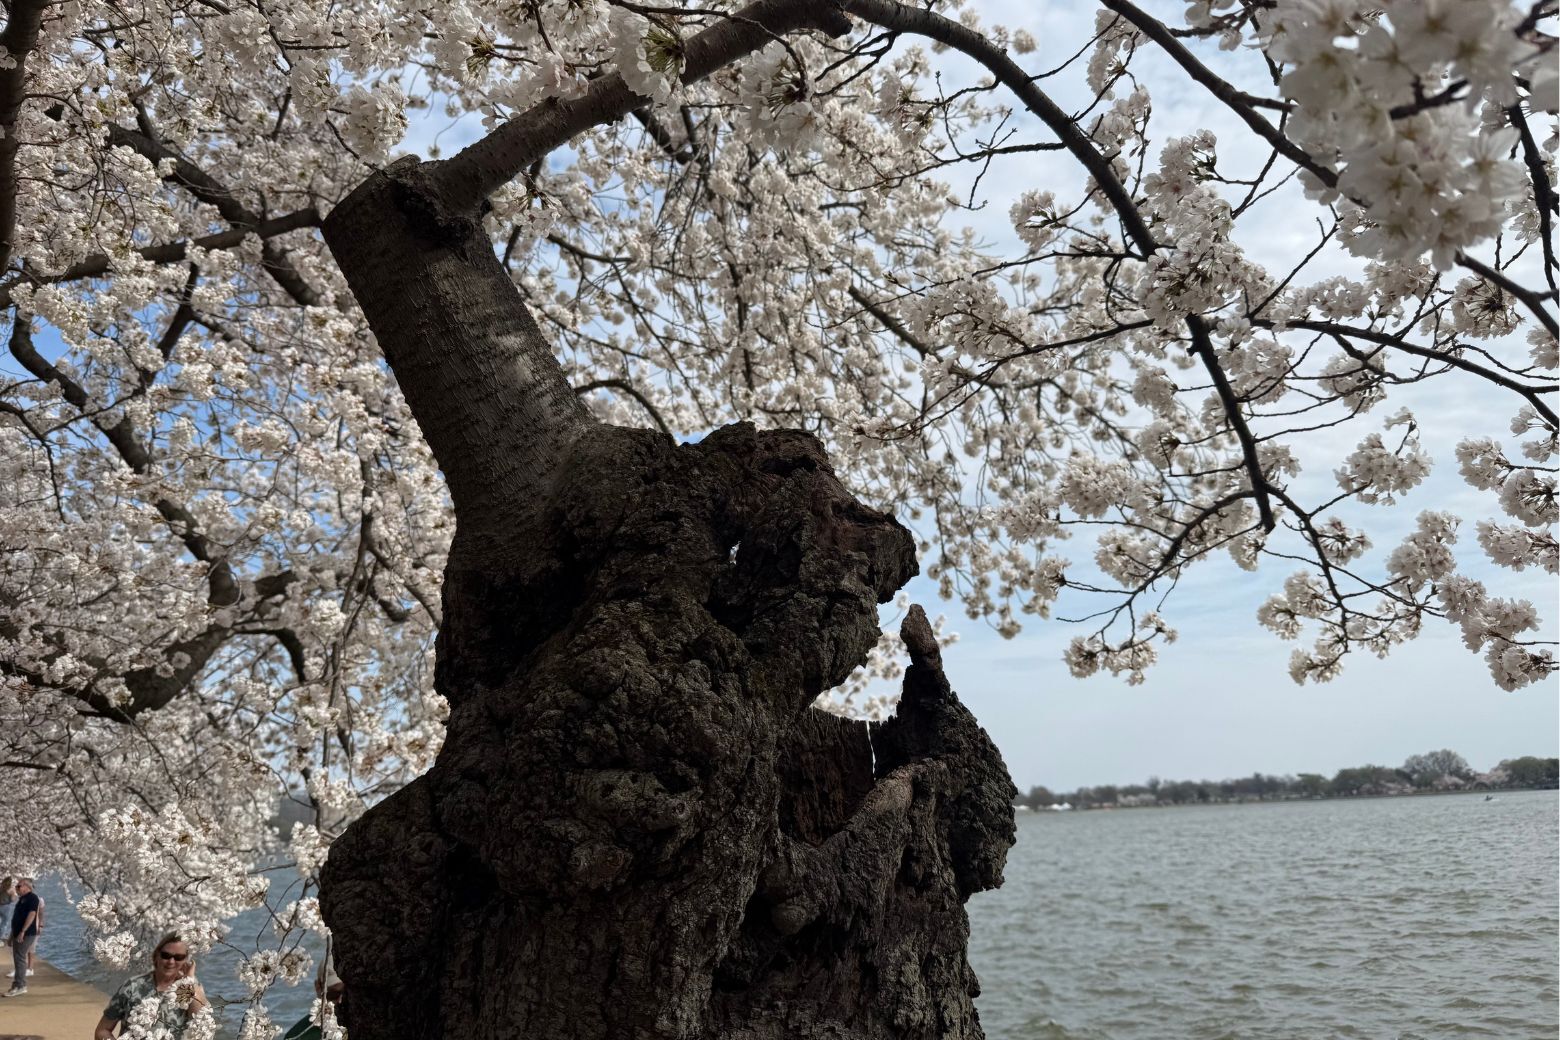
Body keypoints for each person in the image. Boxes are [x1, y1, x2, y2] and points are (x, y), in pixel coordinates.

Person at [94, 933, 209, 1039]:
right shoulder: (132, 986)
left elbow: (201, 1027)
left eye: (178, 957)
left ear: (186, 960)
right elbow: (102, 1030)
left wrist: (189, 979)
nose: (171, 961)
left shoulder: (191, 987)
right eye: (166, 955)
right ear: (157, 955)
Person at [281, 954, 347, 1040]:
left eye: (348, 995)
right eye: (333, 994)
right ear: (318, 988)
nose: (341, 1001)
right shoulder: (297, 1036)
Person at [3, 877, 39, 997]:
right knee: (17, 958)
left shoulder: (32, 898)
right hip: (17, 933)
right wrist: (11, 935)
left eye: (19, 886)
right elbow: (16, 918)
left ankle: (20, 985)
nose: (16, 888)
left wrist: (23, 931)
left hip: (27, 933)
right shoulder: (21, 899)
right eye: (16, 886)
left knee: (20, 958)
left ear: (27, 887)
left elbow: (32, 914)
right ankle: (17, 984)